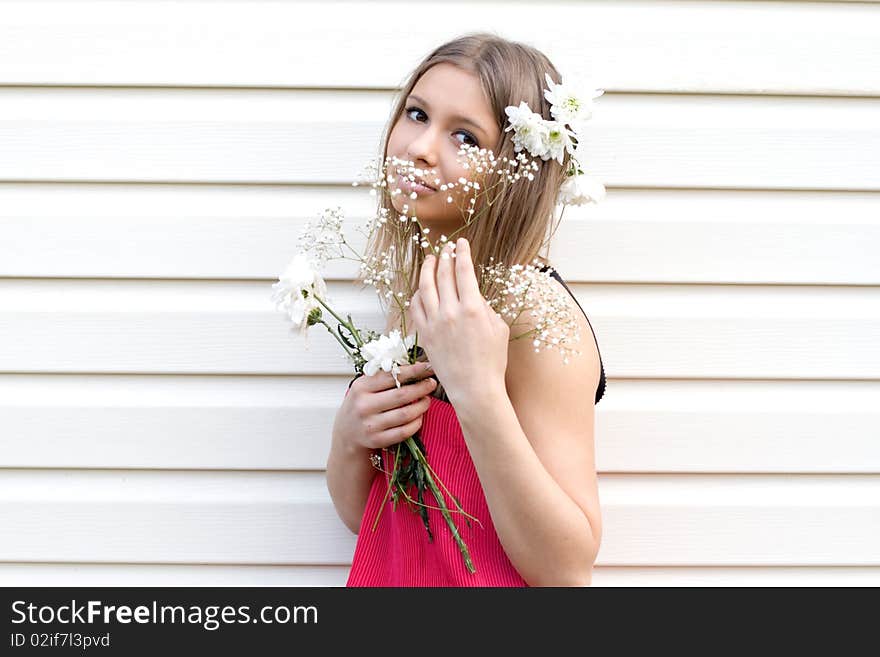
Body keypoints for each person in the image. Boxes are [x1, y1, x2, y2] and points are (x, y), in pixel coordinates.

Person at [326, 32, 606, 587]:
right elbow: (377, 523)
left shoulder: (533, 316)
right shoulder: (422, 296)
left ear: (516, 169)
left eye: (464, 136)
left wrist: (479, 391)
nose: (421, 147)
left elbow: (567, 570)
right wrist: (350, 436)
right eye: (416, 114)